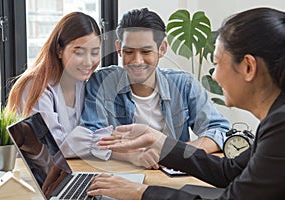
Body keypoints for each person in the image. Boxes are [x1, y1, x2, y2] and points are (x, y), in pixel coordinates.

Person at [87, 7, 285, 199]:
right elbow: (229, 172)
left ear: (248, 67)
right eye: (129, 51)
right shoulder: (275, 122)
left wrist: (141, 193)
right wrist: (159, 142)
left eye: (216, 63)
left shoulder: (280, 128)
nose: (213, 77)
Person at [82, 8, 230, 154]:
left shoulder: (184, 84)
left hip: (170, 175)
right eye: (128, 52)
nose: (137, 61)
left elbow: (219, 131)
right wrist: (136, 155)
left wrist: (172, 153)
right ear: (119, 48)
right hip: (121, 171)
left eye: (146, 52)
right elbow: (94, 137)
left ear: (162, 48)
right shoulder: (101, 82)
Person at [6, 12, 111, 160]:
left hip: (67, 170)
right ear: (59, 50)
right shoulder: (35, 86)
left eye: (94, 53)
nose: (88, 62)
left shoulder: (82, 84)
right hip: (30, 176)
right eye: (79, 52)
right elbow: (56, 147)